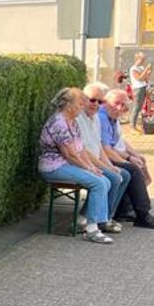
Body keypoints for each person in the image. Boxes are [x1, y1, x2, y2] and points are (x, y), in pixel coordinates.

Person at [39, 87, 115, 245]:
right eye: (80, 104)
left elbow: (81, 150)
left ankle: (95, 222)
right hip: (53, 167)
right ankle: (92, 230)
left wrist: (91, 166)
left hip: (66, 164)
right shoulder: (59, 122)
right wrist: (88, 168)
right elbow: (70, 154)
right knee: (98, 182)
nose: (83, 107)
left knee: (105, 180)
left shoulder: (72, 122)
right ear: (69, 105)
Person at [102, 90, 154, 229]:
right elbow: (105, 149)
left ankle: (124, 210)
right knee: (132, 169)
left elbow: (119, 141)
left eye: (123, 105)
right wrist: (128, 159)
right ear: (106, 102)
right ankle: (143, 214)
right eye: (116, 103)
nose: (120, 108)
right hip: (100, 158)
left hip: (109, 155)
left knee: (135, 165)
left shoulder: (112, 117)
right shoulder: (102, 117)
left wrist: (133, 155)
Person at [77, 82, 130, 230]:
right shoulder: (77, 118)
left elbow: (99, 147)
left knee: (123, 174)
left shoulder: (96, 118)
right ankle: (91, 217)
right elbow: (83, 150)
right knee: (111, 177)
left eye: (100, 102)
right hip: (83, 162)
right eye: (92, 100)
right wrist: (106, 167)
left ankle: (108, 216)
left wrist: (111, 166)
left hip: (94, 160)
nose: (96, 104)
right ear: (83, 99)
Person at [128, 51, 152, 128]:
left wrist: (149, 72)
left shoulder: (141, 67)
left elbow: (145, 77)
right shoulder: (133, 69)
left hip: (144, 87)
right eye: (142, 59)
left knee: (143, 107)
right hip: (138, 89)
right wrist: (146, 70)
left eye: (144, 60)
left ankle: (143, 125)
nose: (143, 61)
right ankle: (132, 126)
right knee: (137, 107)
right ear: (137, 59)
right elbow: (139, 78)